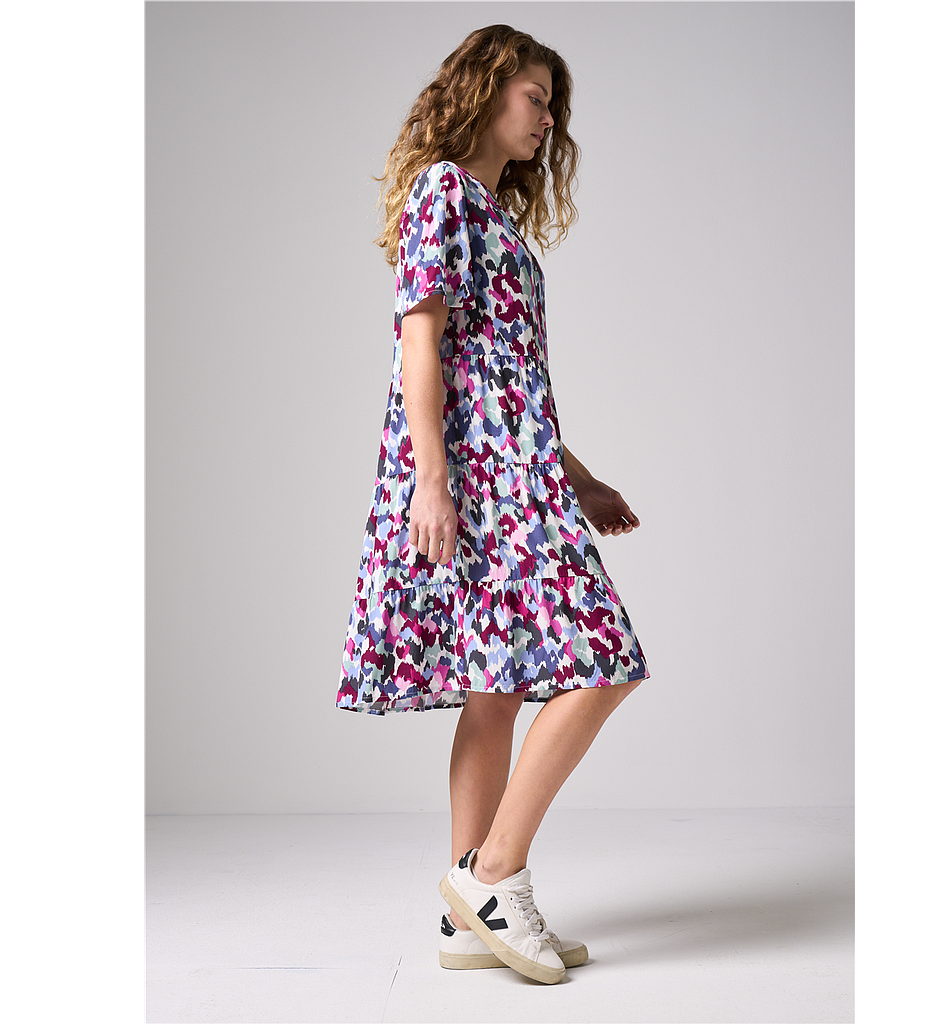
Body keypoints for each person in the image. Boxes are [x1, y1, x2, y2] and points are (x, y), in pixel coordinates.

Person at [338, 24, 649, 985]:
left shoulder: (492, 217)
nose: (548, 119)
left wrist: (577, 476)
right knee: (603, 661)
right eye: (535, 97)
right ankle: (494, 873)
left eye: (553, 105)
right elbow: (421, 343)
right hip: (477, 479)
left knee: (497, 684)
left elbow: (505, 377)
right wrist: (431, 481)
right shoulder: (443, 191)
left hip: (515, 466)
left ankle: (465, 920)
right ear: (484, 91)